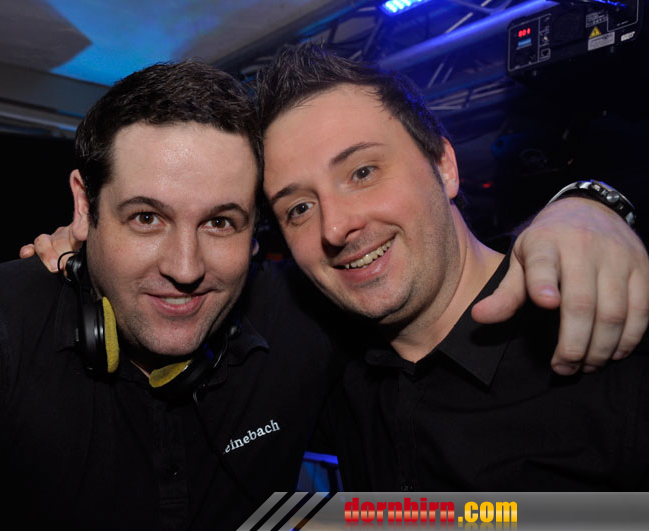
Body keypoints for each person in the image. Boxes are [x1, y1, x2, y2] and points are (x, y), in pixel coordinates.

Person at [0, 61, 342, 530]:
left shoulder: (303, 322)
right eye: (146, 218)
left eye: (219, 222)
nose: (185, 268)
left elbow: (386, 510)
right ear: (85, 207)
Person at [251, 45, 649, 489]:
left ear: (444, 167)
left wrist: (597, 200)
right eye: (300, 208)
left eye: (363, 172)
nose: (335, 227)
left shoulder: (611, 358)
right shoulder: (329, 370)